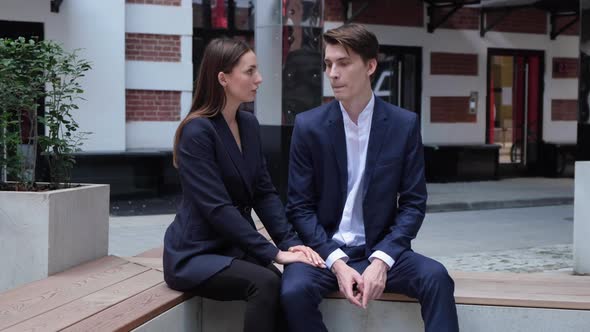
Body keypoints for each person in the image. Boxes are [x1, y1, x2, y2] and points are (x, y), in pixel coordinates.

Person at [281, 24, 459, 332]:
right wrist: (336, 262)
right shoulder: (309, 127)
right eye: (328, 64)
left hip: (381, 249)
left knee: (437, 278)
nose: (332, 73)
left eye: (344, 63)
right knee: (293, 291)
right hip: (325, 252)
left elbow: (414, 203)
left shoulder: (403, 125)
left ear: (371, 66)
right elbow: (299, 207)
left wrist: (383, 260)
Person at [163, 38, 325, 332]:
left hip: (234, 247)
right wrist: (273, 252)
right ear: (223, 78)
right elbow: (217, 209)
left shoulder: (248, 124)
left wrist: (290, 244)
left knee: (283, 280)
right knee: (264, 283)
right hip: (195, 253)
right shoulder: (197, 132)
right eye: (250, 71)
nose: (259, 79)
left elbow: (264, 193)